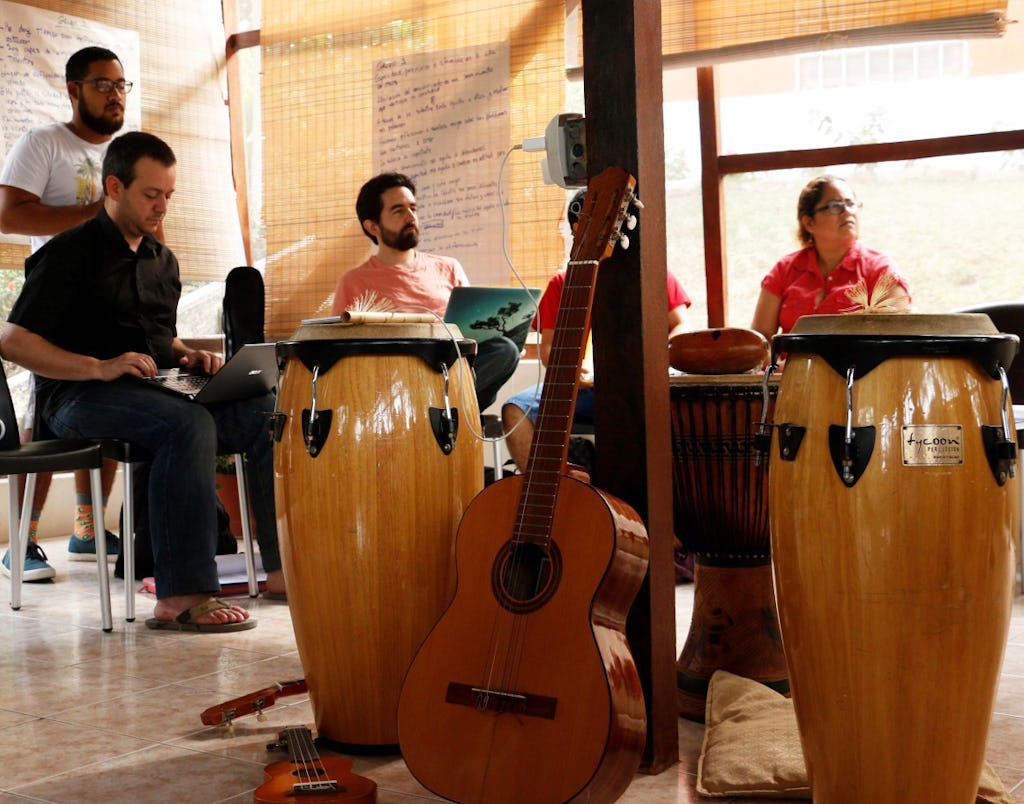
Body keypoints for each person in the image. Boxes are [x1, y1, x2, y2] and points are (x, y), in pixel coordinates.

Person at [0, 131, 284, 630]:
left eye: (169, 196)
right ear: (114, 186)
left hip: (154, 387)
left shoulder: (162, 260)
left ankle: (280, 569)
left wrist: (189, 355)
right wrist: (98, 366)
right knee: (187, 424)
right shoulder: (68, 254)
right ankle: (182, 595)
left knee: (262, 411)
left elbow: (159, 338)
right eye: (151, 195)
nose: (162, 207)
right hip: (79, 396)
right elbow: (14, 340)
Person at [0, 46, 134, 580]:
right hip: (56, 303)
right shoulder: (44, 142)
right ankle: (20, 542)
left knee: (104, 408)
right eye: (103, 84)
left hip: (117, 300)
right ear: (74, 90)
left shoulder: (127, 153)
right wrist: (98, 215)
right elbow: (9, 215)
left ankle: (86, 528)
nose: (115, 94)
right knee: (47, 420)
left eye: (122, 85)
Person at [500, 189, 691, 472]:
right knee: (516, 410)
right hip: (582, 389)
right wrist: (572, 372)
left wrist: (650, 363)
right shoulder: (561, 283)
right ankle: (557, 497)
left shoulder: (651, 273)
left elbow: (681, 326)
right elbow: (548, 349)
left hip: (640, 384)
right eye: (582, 230)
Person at [331, 172, 519, 411]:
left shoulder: (449, 268)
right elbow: (338, 357)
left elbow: (472, 335)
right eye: (398, 211)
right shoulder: (353, 282)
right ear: (373, 226)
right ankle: (436, 411)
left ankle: (436, 410)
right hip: (393, 384)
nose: (411, 217)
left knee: (505, 349)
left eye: (413, 208)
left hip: (450, 370)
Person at [750, 174, 911, 341]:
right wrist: (784, 366)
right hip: (787, 367)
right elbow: (761, 342)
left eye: (850, 204)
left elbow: (896, 339)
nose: (847, 211)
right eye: (835, 206)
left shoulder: (880, 269)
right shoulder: (784, 269)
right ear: (809, 222)